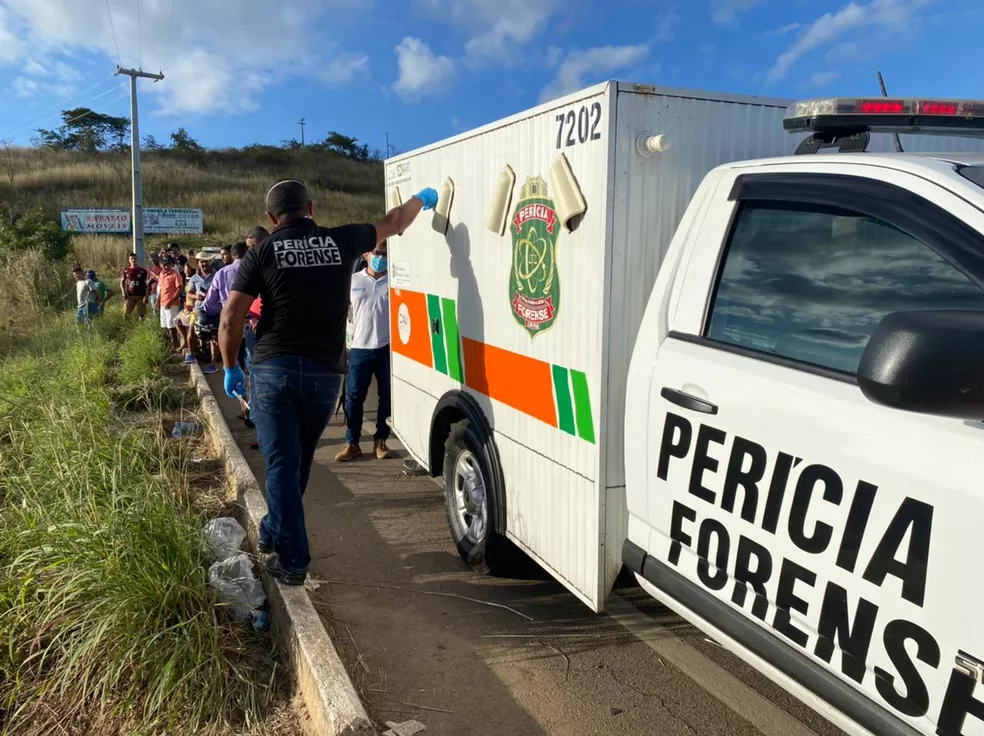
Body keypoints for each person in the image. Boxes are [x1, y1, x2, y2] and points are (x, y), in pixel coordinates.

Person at [218, 179, 437, 585]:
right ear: (311, 207)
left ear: (271, 218)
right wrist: (421, 201)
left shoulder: (261, 251)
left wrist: (231, 366)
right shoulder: (343, 240)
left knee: (282, 463)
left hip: (273, 370)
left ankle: (294, 560)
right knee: (297, 462)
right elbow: (395, 220)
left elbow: (231, 318)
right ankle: (272, 533)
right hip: (323, 375)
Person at [335, 240, 394, 462]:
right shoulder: (353, 281)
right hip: (359, 348)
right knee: (353, 397)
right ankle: (352, 443)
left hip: (387, 348)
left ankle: (381, 441)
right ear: (367, 254)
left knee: (387, 397)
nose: (381, 257)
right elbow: (341, 315)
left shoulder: (395, 281)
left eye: (385, 254)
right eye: (377, 252)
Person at [189, 251, 219, 373]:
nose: (204, 264)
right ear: (198, 263)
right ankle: (191, 354)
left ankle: (213, 362)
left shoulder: (217, 276)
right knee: (191, 331)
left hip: (213, 310)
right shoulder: (194, 278)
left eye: (206, 261)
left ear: (210, 262)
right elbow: (189, 293)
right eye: (202, 262)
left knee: (214, 337)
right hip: (197, 309)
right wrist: (196, 296)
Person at [157, 255, 184, 351]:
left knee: (171, 324)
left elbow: (179, 289)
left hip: (172, 303)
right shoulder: (161, 274)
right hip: (163, 302)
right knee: (164, 324)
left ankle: (175, 344)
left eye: (168, 264)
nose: (166, 267)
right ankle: (170, 343)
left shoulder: (175, 274)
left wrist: (171, 300)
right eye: (164, 265)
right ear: (161, 265)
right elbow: (161, 288)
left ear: (171, 264)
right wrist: (158, 300)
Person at [120, 253, 149, 320]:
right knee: (126, 313)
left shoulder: (143, 271)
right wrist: (123, 291)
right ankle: (127, 327)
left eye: (135, 258)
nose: (133, 260)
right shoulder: (126, 270)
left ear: (137, 259)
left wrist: (146, 296)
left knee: (142, 315)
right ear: (129, 260)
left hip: (140, 296)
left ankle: (141, 328)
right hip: (130, 296)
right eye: (131, 258)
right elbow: (122, 281)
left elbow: (147, 284)